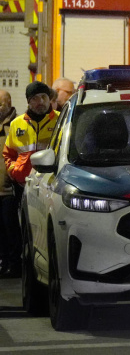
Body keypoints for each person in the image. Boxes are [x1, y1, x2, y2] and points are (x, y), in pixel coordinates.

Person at [2, 82, 58, 278]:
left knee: (42, 231)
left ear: (49, 98)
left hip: (49, 186)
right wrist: (14, 171)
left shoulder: (59, 121)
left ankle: (41, 269)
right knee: (19, 230)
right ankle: (21, 266)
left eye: (43, 97)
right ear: (28, 102)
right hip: (22, 185)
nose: (40, 102)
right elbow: (8, 153)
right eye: (35, 98)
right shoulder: (17, 124)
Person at [0, 90, 18, 276]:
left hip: (10, 190)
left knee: (11, 230)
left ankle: (14, 264)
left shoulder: (16, 126)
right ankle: (4, 262)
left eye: (0, 104)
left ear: (9, 104)